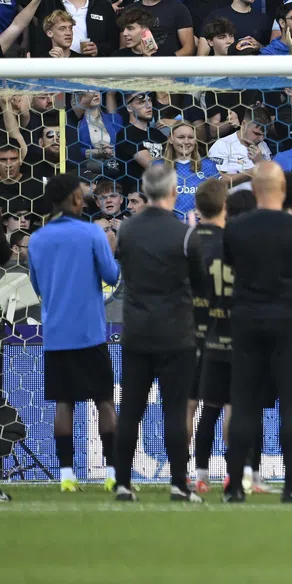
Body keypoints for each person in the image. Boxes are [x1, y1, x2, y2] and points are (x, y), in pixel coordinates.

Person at [221, 161, 292, 505]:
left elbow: (231, 268)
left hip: (246, 319)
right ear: (283, 190)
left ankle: (234, 486)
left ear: (254, 191)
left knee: (244, 401)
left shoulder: (235, 229)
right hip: (289, 321)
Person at [111, 161, 203, 502]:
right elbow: (200, 281)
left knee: (131, 408)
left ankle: (122, 482)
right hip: (176, 333)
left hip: (136, 331)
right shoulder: (184, 233)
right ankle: (179, 484)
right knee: (175, 410)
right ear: (173, 192)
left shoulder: (128, 231)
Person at [27, 173, 121, 491]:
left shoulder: (37, 239)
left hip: (56, 334)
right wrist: (111, 249)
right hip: (90, 333)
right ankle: (112, 474)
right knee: (105, 402)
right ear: (76, 199)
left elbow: (37, 285)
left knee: (63, 403)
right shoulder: (92, 234)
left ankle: (67, 476)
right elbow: (111, 274)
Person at [186, 177, 232, 493]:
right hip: (222, 331)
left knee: (189, 405)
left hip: (186, 331)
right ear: (224, 205)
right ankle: (234, 471)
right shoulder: (231, 243)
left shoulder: (184, 240)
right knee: (227, 404)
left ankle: (189, 472)